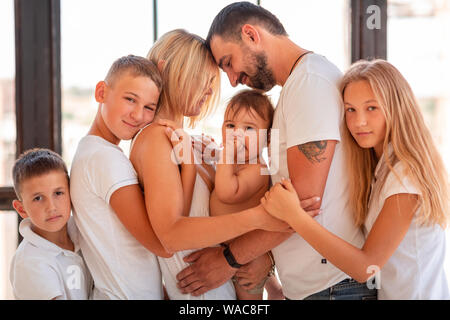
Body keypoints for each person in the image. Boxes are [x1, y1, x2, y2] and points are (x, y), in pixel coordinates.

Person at [175, 2, 376, 300]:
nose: (232, 79)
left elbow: (304, 205)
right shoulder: (296, 88)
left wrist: (228, 260)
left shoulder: (310, 83)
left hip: (334, 290)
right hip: (321, 289)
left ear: (251, 35)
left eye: (228, 62)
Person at [261, 59, 450, 300]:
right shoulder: (379, 170)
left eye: (371, 108)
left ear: (396, 107)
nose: (359, 121)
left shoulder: (406, 175)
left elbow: (365, 267)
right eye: (350, 109)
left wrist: (294, 215)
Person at [129, 29, 293, 300]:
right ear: (167, 70)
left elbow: (232, 212)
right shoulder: (157, 139)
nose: (209, 88)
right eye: (201, 78)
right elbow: (169, 235)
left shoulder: (193, 144)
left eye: (211, 80)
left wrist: (262, 261)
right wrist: (262, 219)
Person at [70, 55, 172, 300]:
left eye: (149, 107)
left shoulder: (93, 151)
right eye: (130, 99)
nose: (138, 115)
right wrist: (189, 169)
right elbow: (165, 244)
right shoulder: (105, 159)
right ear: (101, 92)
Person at [10, 148, 92, 300]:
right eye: (38, 198)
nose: (51, 207)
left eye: (58, 193)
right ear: (21, 209)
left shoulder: (83, 231)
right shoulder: (30, 262)